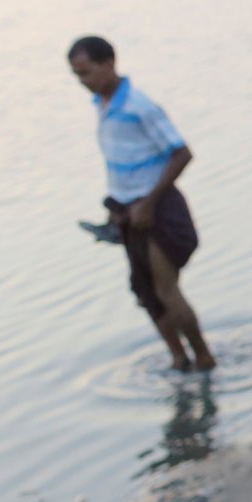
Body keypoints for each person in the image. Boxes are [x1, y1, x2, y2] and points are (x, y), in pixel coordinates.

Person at [67, 36, 216, 372]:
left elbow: (182, 153)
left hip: (157, 210)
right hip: (127, 212)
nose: (82, 82)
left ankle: (204, 357)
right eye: (76, 76)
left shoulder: (138, 106)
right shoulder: (103, 105)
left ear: (109, 64)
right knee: (145, 292)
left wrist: (149, 204)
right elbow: (122, 162)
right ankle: (178, 358)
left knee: (166, 289)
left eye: (86, 73)